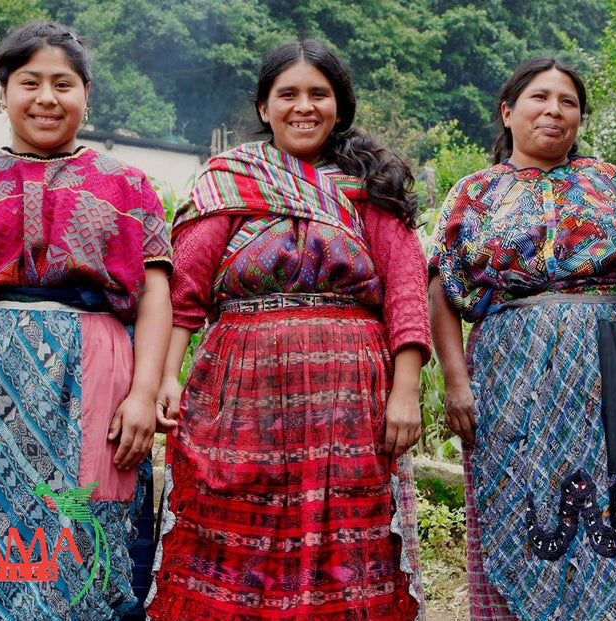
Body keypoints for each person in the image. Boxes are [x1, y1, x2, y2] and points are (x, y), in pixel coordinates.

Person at [147, 40, 428, 620]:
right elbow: (185, 293)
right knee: (232, 524)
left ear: (340, 106)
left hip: (350, 400)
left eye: (318, 94)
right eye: (289, 95)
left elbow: (405, 293)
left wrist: (405, 392)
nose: (304, 107)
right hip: (240, 394)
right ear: (263, 106)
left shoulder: (370, 187)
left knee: (344, 536)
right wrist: (164, 378)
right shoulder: (226, 181)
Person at [0, 21, 172, 619]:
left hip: (94, 382)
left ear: (86, 94)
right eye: (30, 82)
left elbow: (155, 295)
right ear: (3, 91)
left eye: (63, 84)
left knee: (85, 536)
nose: (47, 98)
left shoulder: (127, 186)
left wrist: (144, 392)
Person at [429, 57, 616, 620]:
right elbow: (442, 285)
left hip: (615, 362)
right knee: (521, 498)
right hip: (511, 372)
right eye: (540, 98)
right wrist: (456, 380)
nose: (554, 111)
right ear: (508, 111)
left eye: (568, 102)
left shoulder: (612, 184)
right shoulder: (476, 192)